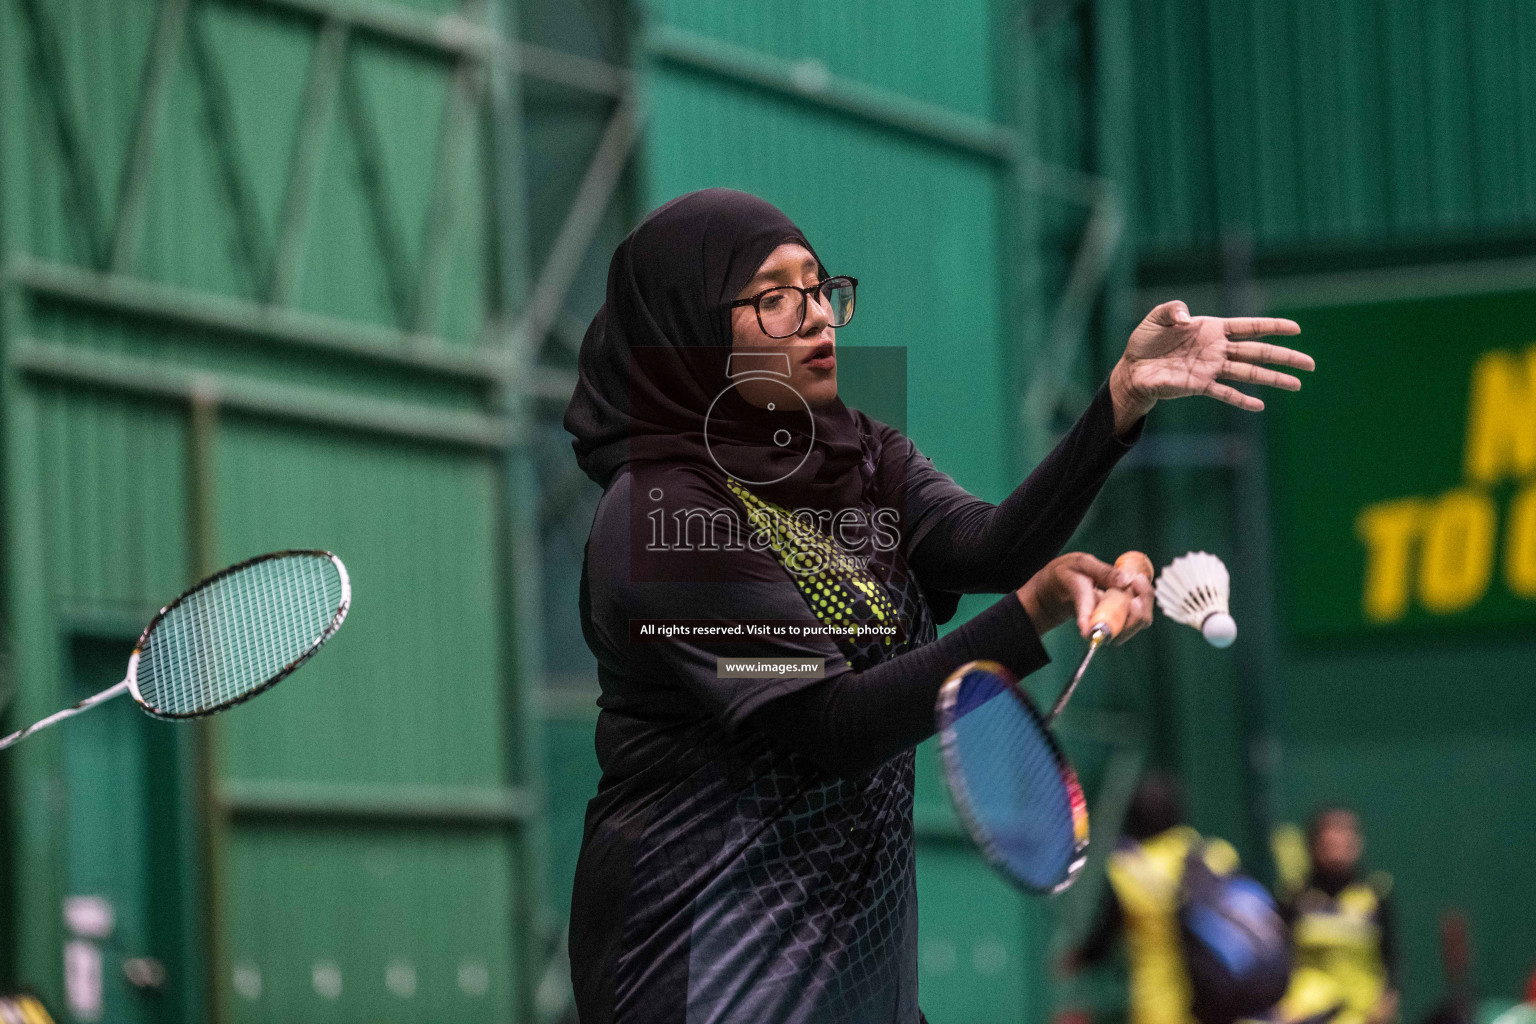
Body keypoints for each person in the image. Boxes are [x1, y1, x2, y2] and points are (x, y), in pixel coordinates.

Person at [562, 188, 1311, 1024]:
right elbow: (828, 719)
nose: (816, 317)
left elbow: (990, 548)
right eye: (773, 298)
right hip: (710, 972)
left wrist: (1121, 400)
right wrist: (1032, 616)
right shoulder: (659, 518)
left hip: (857, 973)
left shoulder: (861, 456)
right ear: (690, 330)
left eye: (819, 288)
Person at [1060, 774, 1245, 1024]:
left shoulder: (1125, 872)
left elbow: (1104, 936)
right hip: (1220, 1001)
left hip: (1156, 1008)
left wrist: (1079, 958)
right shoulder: (1215, 855)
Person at [1277, 808, 1399, 1024]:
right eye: (1329, 841)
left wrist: (1387, 1001)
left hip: (1364, 1012)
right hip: (1307, 1012)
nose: (1337, 847)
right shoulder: (1295, 898)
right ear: (1314, 845)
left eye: (1345, 838)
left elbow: (1391, 955)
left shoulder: (1374, 896)